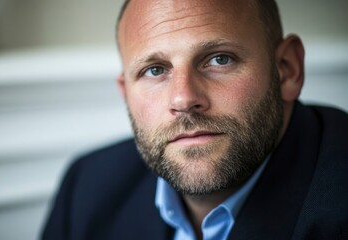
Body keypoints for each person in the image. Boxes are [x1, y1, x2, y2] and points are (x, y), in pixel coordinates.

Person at [42, 0, 348, 239]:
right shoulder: (86, 188)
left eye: (219, 59)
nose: (184, 99)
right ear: (126, 93)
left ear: (287, 69)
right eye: (155, 70)